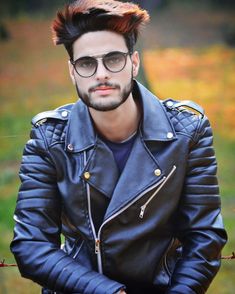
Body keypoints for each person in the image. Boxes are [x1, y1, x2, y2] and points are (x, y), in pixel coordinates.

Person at [10, 1, 227, 293]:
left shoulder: (189, 132)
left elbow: (204, 236)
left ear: (134, 63)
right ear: (72, 72)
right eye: (87, 63)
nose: (101, 74)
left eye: (113, 59)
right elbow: (31, 245)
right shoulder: (49, 138)